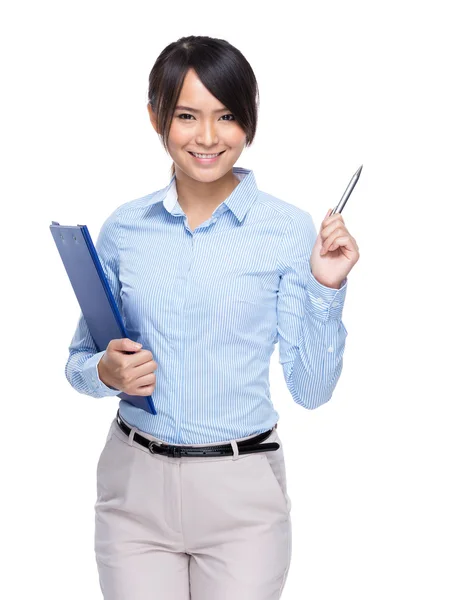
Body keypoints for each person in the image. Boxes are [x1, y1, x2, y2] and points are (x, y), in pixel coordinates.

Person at [65, 35, 360, 600]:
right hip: (134, 490)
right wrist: (105, 372)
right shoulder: (125, 229)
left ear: (249, 121)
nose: (207, 137)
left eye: (226, 116)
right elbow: (79, 361)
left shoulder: (287, 231)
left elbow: (313, 390)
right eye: (186, 115)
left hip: (242, 497)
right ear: (156, 116)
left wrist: (328, 285)